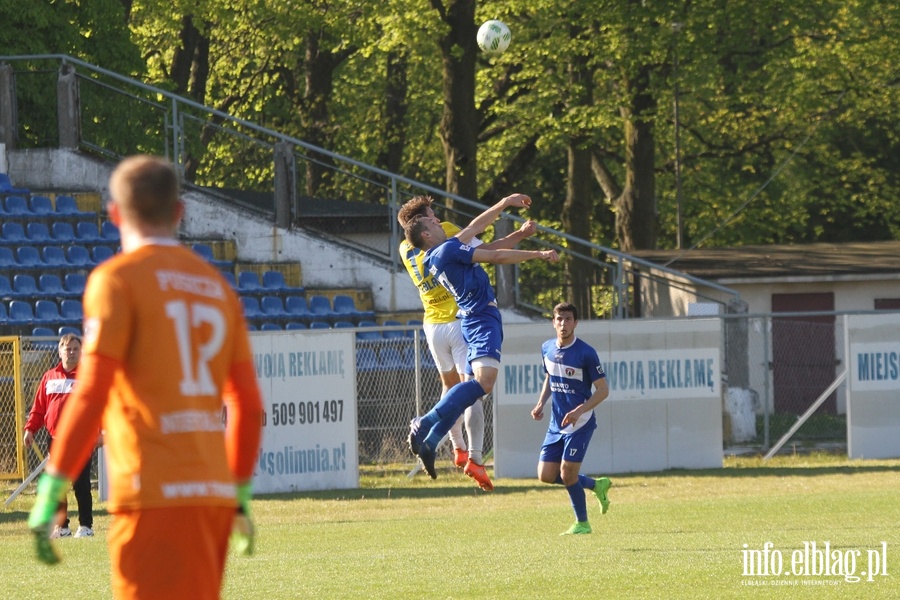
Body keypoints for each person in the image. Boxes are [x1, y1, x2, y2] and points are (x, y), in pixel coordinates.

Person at [27, 154, 264, 600]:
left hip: (150, 493)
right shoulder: (217, 288)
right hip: (209, 497)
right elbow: (249, 407)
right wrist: (239, 495)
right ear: (179, 213)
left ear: (115, 214)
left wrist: (53, 484)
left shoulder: (116, 280)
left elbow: (92, 392)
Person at [404, 192, 558, 484]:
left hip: (468, 319)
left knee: (471, 388)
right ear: (425, 232)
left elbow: (476, 229)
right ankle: (425, 424)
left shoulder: (437, 253)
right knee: (482, 384)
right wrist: (538, 254)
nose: (438, 222)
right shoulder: (447, 250)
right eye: (432, 221)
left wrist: (504, 204)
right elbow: (496, 255)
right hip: (479, 319)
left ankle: (432, 440)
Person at [531, 302, 612, 535]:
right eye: (559, 319)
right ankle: (597, 485)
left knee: (567, 474)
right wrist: (540, 403)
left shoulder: (586, 353)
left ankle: (583, 524)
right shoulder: (546, 348)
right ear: (553, 322)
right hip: (556, 424)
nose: (563, 324)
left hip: (580, 423)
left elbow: (603, 390)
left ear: (576, 323)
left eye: (568, 319)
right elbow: (550, 377)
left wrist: (579, 411)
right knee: (546, 475)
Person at [23, 333, 98, 539]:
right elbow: (39, 408)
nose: (71, 353)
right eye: (68, 349)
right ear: (60, 351)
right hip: (55, 440)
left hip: (81, 440)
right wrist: (30, 429)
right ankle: (62, 527)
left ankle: (86, 526)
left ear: (81, 352)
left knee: (81, 484)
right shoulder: (49, 377)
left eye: (75, 349)